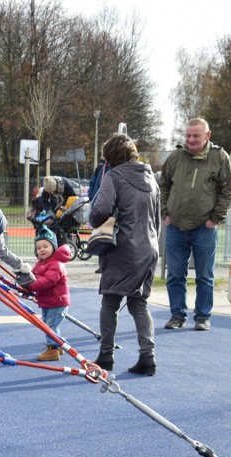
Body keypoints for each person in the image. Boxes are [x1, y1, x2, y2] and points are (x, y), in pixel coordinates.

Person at [89, 134, 160, 375]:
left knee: (109, 302)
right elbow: (157, 219)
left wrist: (95, 219)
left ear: (109, 158)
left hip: (123, 248)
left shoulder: (114, 176)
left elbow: (100, 211)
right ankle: (147, 356)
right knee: (139, 304)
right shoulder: (151, 178)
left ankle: (106, 354)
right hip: (149, 248)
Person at [159, 117, 231, 331]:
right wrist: (165, 213)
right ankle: (177, 315)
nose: (191, 140)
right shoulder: (175, 157)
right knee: (175, 274)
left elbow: (228, 191)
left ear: (207, 136)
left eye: (196, 135)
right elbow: (163, 186)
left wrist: (215, 219)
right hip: (175, 226)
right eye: (188, 135)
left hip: (204, 227)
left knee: (204, 275)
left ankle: (202, 317)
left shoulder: (219, 157)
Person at [27, 226, 71, 362]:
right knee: (49, 324)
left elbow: (49, 281)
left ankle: (52, 351)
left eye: (45, 246)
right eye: (39, 248)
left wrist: (31, 286)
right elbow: (32, 275)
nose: (42, 250)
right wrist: (24, 278)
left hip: (57, 302)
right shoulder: (41, 263)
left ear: (54, 247)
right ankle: (57, 346)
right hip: (49, 301)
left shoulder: (56, 264)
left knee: (49, 327)